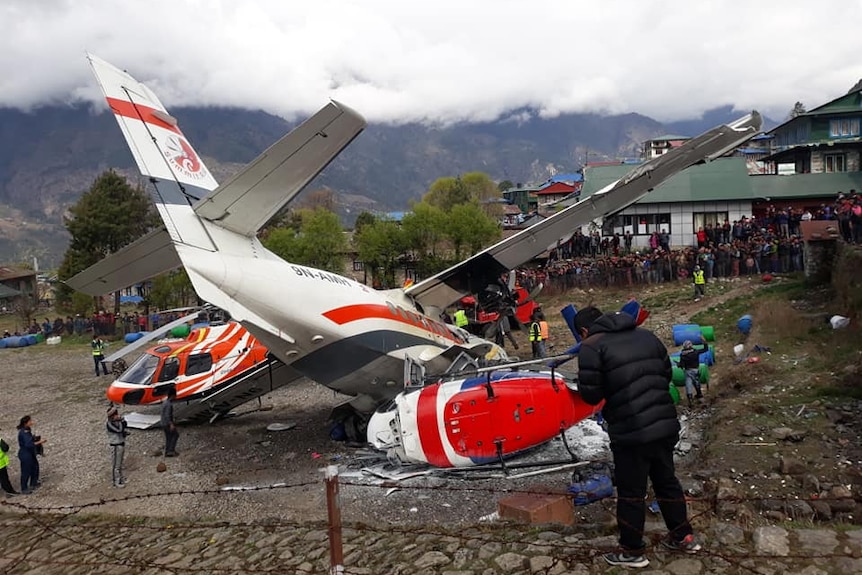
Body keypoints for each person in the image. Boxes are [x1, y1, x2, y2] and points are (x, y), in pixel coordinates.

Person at [575, 306, 701, 569]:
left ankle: (632, 551)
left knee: (632, 492)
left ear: (584, 331)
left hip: (631, 430)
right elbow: (666, 373)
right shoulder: (647, 336)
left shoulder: (592, 346)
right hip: (664, 424)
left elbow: (591, 395)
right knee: (667, 482)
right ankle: (684, 536)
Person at [17, 415, 46, 494]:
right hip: (25, 453)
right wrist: (40, 442)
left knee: (35, 467)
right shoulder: (24, 432)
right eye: (30, 421)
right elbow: (28, 444)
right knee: (26, 471)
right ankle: (24, 488)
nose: (31, 422)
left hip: (30, 453)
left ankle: (34, 482)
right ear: (26, 423)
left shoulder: (27, 430)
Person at [678, 338, 708, 407]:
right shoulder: (695, 352)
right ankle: (699, 395)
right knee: (697, 383)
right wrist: (704, 342)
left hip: (688, 371)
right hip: (695, 370)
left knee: (688, 385)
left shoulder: (682, 355)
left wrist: (679, 365)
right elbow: (705, 349)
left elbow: (682, 365)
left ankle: (690, 399)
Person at [106, 405, 129, 487]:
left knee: (120, 463)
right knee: (116, 465)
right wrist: (121, 422)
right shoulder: (109, 424)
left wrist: (122, 420)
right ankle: (116, 481)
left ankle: (121, 478)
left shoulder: (118, 421)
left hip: (121, 443)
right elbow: (119, 430)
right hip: (115, 445)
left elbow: (125, 425)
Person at [161, 386, 179, 457]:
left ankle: (167, 451)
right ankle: (171, 450)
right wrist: (171, 424)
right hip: (167, 424)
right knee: (175, 435)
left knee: (168, 437)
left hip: (163, 423)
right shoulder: (169, 405)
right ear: (173, 395)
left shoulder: (165, 402)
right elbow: (167, 415)